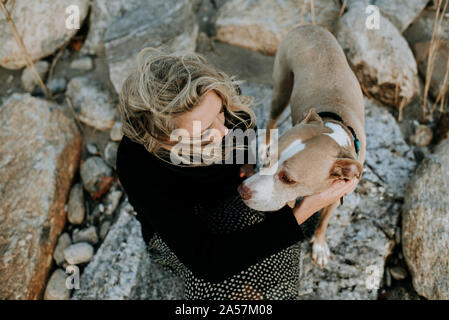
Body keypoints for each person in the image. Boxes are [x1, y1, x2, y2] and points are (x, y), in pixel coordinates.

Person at [116, 47, 358, 300]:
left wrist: (247, 165)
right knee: (218, 288)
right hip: (186, 229)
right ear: (168, 138)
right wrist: (303, 211)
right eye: (205, 130)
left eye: (220, 114)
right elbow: (206, 260)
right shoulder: (136, 164)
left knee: (283, 222)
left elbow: (245, 130)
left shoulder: (226, 105)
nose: (225, 132)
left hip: (234, 195)